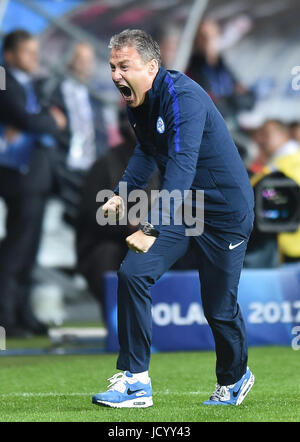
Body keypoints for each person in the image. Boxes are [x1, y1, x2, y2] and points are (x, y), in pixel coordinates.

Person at [92, 29, 255, 408]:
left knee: (218, 308)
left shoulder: (183, 97)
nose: (116, 74)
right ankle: (135, 382)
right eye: (113, 66)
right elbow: (147, 153)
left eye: (124, 66)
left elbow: (182, 165)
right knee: (133, 274)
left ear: (151, 67)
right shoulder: (138, 100)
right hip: (187, 208)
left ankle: (234, 378)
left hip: (224, 212)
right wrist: (122, 192)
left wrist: (151, 226)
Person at [0, 30, 66, 337]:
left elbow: (36, 116)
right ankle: (6, 317)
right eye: (27, 52)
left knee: (29, 250)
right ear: (10, 54)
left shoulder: (34, 84)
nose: (34, 58)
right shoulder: (4, 81)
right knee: (16, 248)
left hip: (39, 175)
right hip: (19, 174)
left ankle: (24, 313)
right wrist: (49, 120)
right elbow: (26, 118)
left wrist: (42, 117)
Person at [186, 20, 255, 120]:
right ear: (196, 40)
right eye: (203, 36)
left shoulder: (223, 66)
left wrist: (228, 101)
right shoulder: (192, 69)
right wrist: (233, 99)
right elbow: (208, 107)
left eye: (212, 36)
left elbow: (248, 100)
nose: (208, 40)